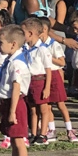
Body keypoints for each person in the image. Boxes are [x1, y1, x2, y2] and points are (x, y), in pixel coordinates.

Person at [0, 25, 31, 156]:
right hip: (7, 103)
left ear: (13, 44)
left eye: (1, 42)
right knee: (13, 140)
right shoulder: (10, 60)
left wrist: (12, 111)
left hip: (15, 104)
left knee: (18, 140)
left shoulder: (18, 64)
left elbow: (17, 87)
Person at [39, 17, 75, 142]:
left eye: (41, 29)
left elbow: (62, 62)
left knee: (60, 104)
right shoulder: (38, 45)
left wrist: (49, 58)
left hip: (54, 74)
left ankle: (69, 130)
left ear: (46, 29)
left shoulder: (53, 44)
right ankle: (51, 130)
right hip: (44, 75)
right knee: (47, 106)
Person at [20, 17, 53, 145]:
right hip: (29, 80)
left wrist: (47, 87)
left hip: (40, 80)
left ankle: (43, 134)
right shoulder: (26, 49)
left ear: (30, 33)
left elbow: (48, 69)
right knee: (32, 109)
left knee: (43, 109)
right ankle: (33, 133)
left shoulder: (42, 49)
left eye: (23, 33)